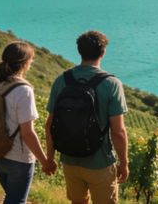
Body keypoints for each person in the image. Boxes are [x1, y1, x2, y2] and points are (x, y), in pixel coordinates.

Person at [46, 31, 129, 204]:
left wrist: (50, 158)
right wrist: (124, 163)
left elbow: (50, 125)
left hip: (69, 161)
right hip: (100, 163)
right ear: (103, 52)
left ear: (79, 51)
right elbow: (118, 132)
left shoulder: (62, 80)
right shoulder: (112, 84)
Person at [0, 42, 56, 204]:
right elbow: (27, 133)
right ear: (24, 63)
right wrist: (44, 161)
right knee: (16, 201)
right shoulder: (23, 90)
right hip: (18, 159)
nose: (32, 63)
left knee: (12, 198)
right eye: (31, 60)